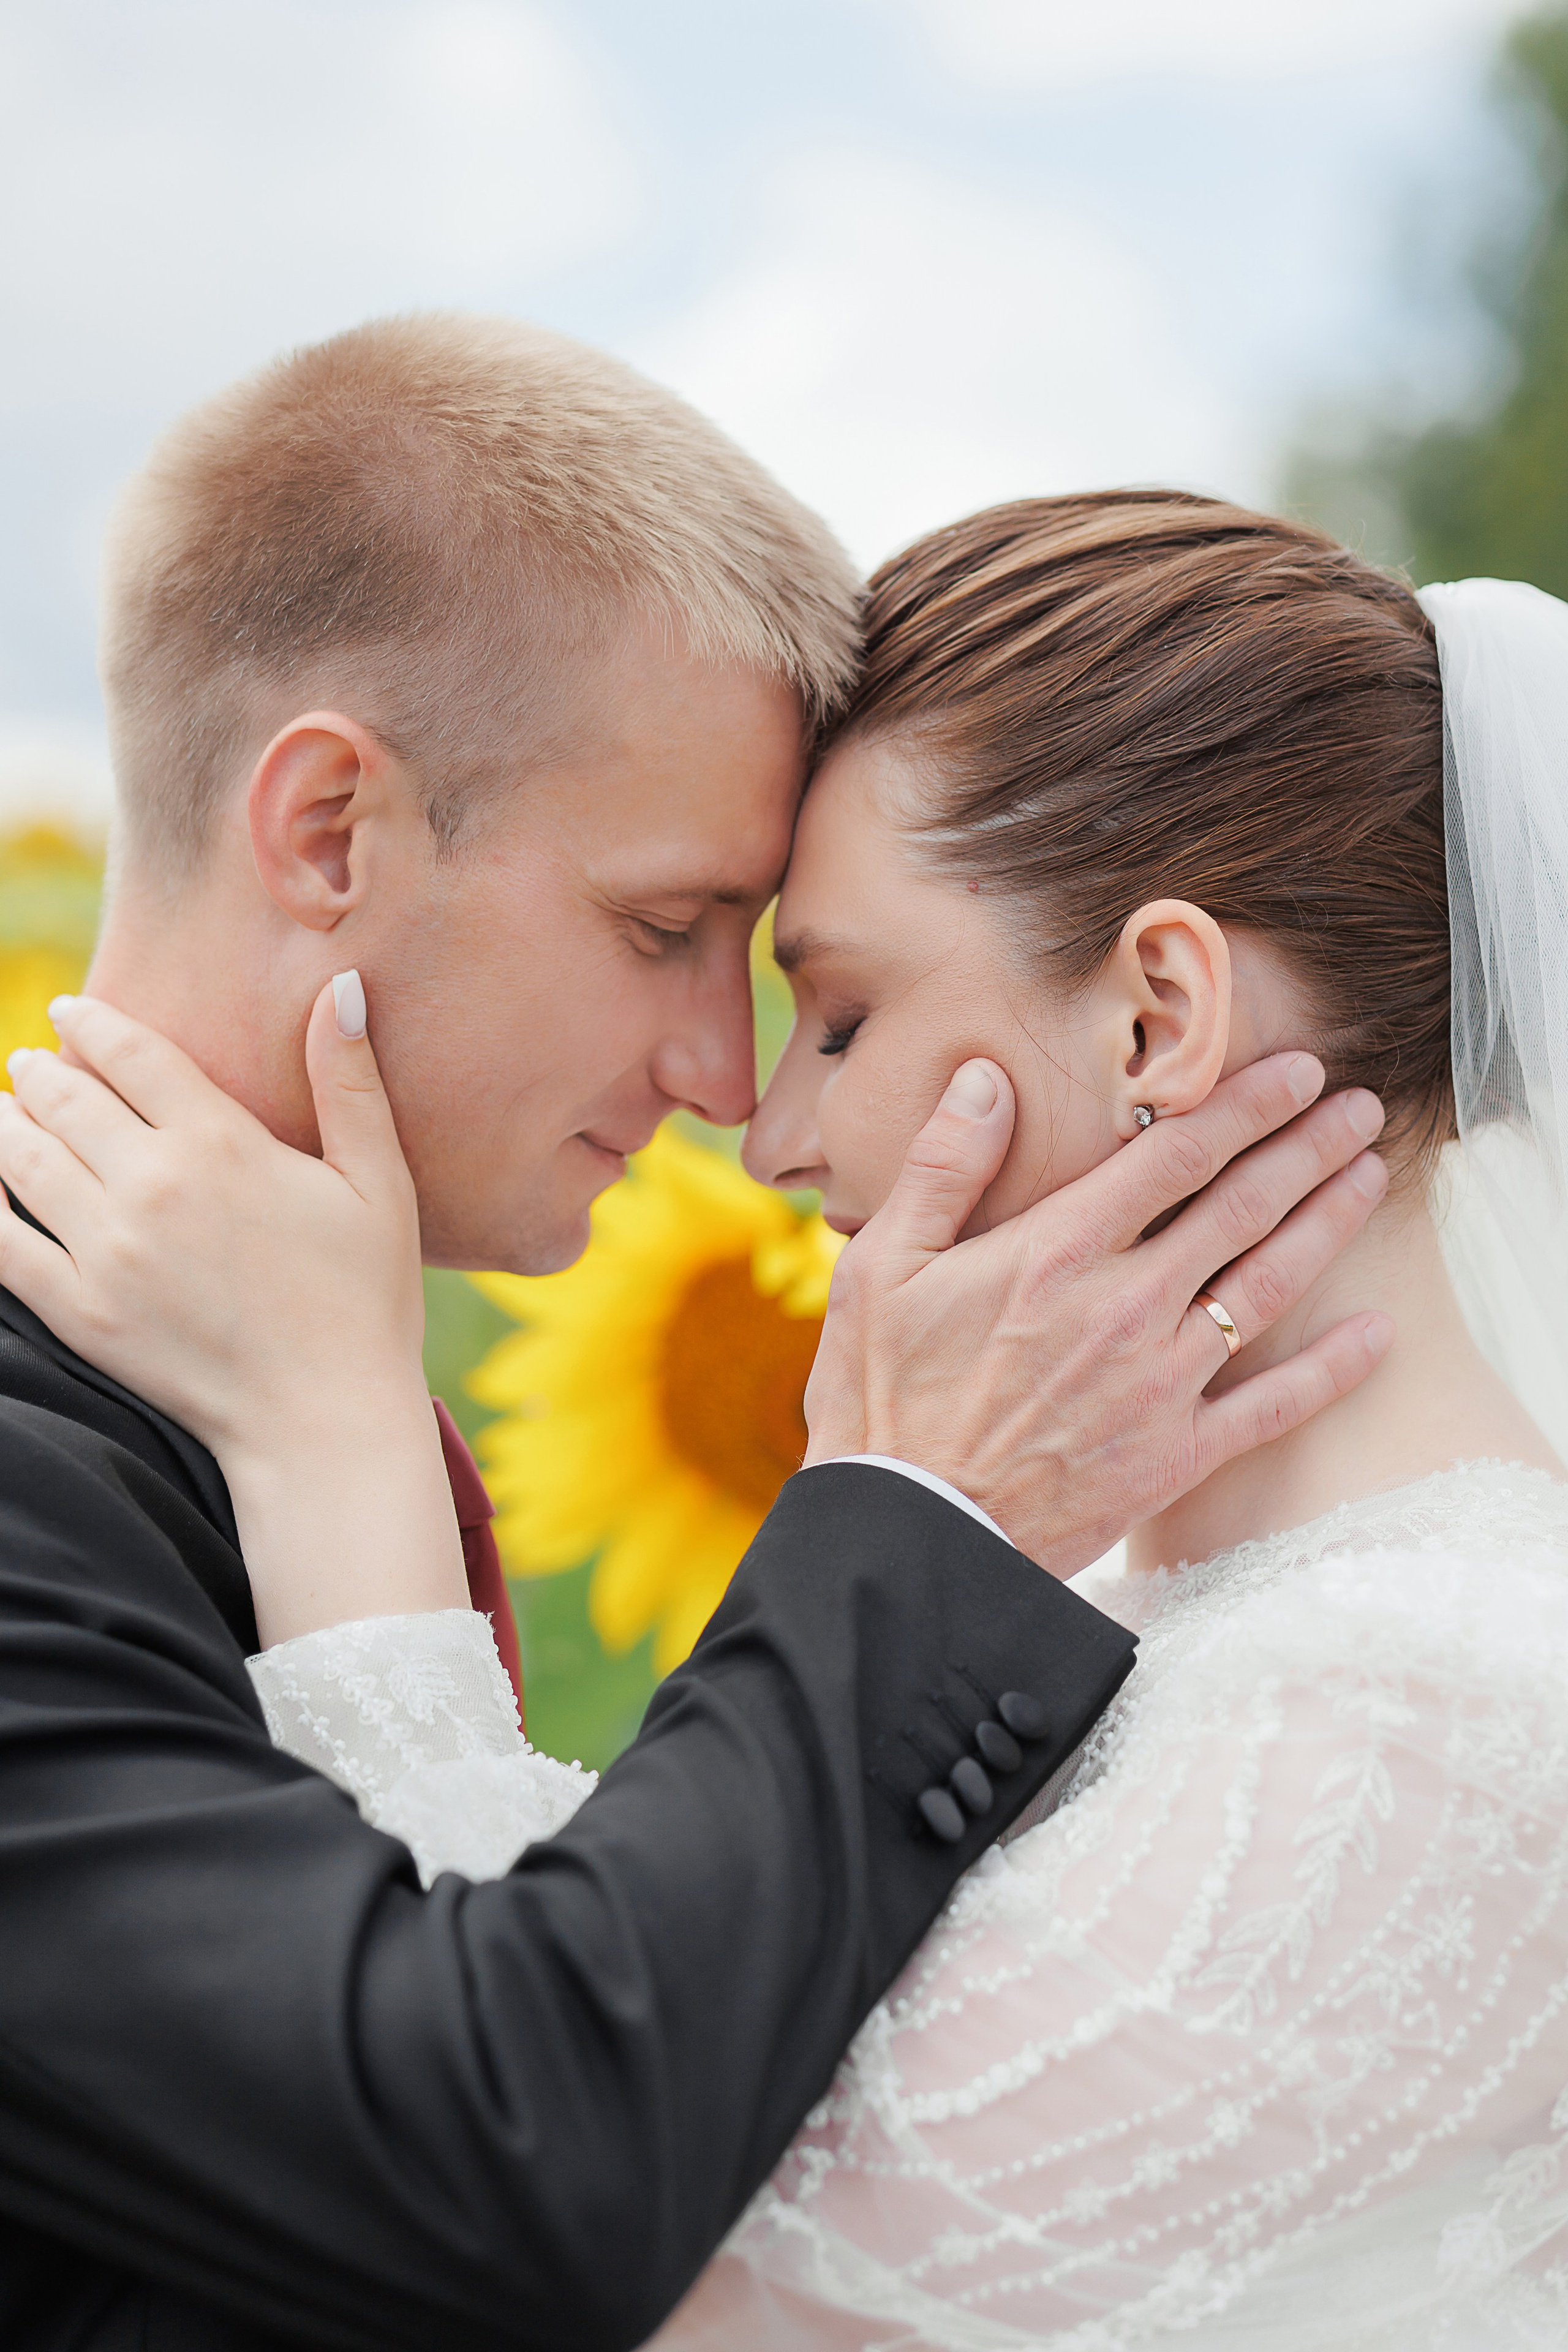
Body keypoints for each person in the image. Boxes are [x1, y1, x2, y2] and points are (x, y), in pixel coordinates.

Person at [12, 491, 1564, 2348]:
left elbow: (587, 2261)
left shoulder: (1429, 1712)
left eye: (837, 1014)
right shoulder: (1174, 1645)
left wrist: (338, 1441)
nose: (763, 1129)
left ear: (1159, 1019)